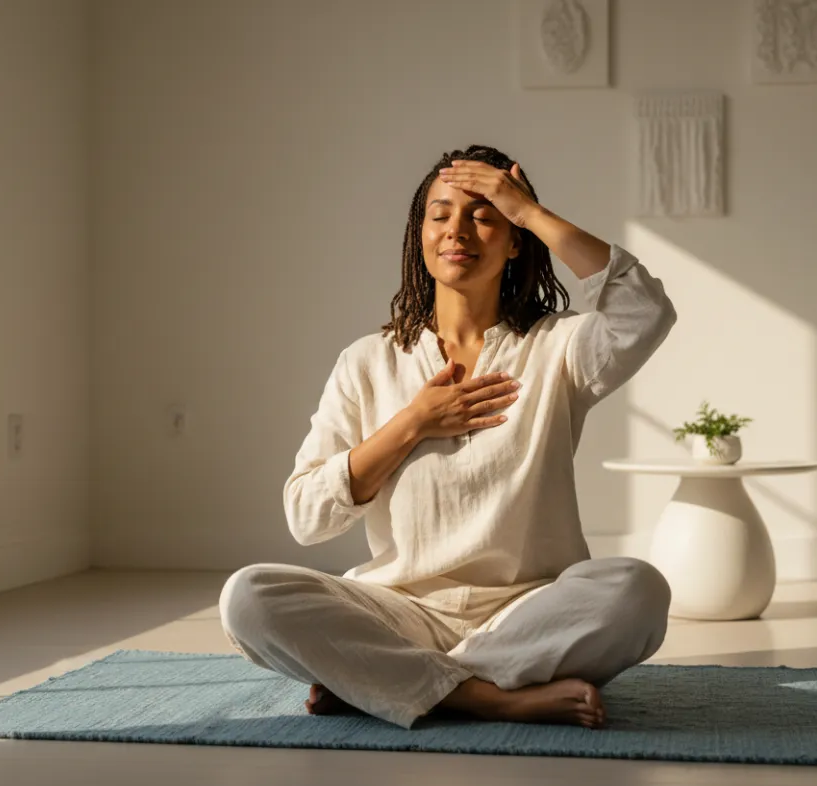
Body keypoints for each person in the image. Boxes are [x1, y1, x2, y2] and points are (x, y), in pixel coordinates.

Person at [219, 144, 677, 730]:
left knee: (638, 591)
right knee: (248, 596)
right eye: (440, 215)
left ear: (513, 240)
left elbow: (645, 311)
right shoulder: (366, 362)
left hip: (528, 612)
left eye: (483, 215)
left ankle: (388, 683)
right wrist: (413, 422)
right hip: (397, 609)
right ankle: (486, 698)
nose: (457, 230)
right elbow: (307, 516)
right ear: (420, 235)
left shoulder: (558, 347)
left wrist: (530, 211)